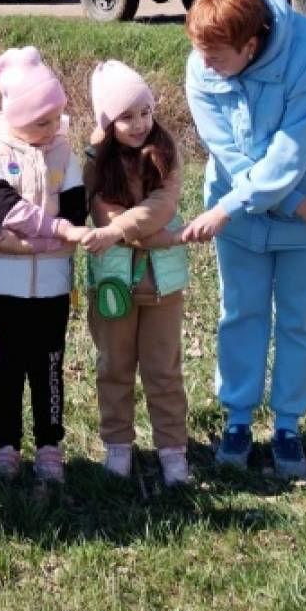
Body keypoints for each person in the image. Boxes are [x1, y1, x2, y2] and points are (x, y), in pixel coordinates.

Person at [182, 0, 306, 481]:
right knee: (240, 311)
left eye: (216, 54)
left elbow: (291, 152)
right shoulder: (202, 65)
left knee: (301, 320)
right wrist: (292, 204)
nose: (204, 64)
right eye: (200, 51)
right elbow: (230, 153)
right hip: (261, 208)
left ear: (252, 44)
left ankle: (287, 427)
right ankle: (237, 420)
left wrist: (291, 203)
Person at [0, 46, 89, 484]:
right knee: (4, 368)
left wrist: (49, 234)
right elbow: (6, 208)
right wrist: (56, 231)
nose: (53, 128)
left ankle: (49, 446)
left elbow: (77, 212)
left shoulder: (63, 151)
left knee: (49, 366)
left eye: (57, 118)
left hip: (53, 285)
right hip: (1, 285)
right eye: (42, 120)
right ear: (16, 116)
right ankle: (5, 446)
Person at [79, 61, 192, 487]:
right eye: (126, 117)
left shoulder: (167, 151)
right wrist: (153, 235)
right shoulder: (95, 160)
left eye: (144, 111)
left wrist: (120, 232)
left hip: (163, 283)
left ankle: (172, 449)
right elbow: (100, 208)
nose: (139, 123)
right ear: (107, 123)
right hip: (113, 283)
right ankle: (118, 445)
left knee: (163, 368)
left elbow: (163, 203)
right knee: (114, 364)